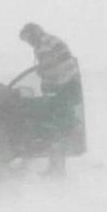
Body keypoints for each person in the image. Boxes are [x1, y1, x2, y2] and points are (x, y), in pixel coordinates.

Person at [18, 23, 82, 176]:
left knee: (57, 130)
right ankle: (57, 169)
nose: (29, 43)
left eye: (27, 39)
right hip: (69, 87)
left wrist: (43, 76)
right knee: (59, 130)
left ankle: (57, 170)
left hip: (64, 90)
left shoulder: (43, 46)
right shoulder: (50, 41)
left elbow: (51, 69)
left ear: (33, 34)